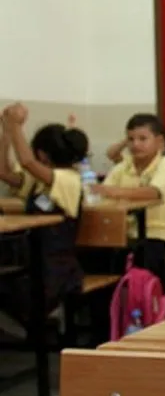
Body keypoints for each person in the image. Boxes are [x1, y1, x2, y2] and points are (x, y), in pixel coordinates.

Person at [0, 103, 88, 317]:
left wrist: (16, 126)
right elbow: (3, 171)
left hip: (55, 266)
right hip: (32, 257)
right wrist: (7, 131)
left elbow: (27, 162)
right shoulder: (37, 181)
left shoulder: (69, 179)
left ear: (42, 154)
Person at [92, 113, 165, 279]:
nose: (135, 144)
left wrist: (116, 192)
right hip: (125, 232)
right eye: (131, 139)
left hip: (156, 234)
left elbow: (153, 192)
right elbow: (103, 192)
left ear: (159, 141)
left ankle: (146, 294)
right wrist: (104, 191)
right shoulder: (123, 167)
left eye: (142, 139)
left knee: (144, 257)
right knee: (94, 255)